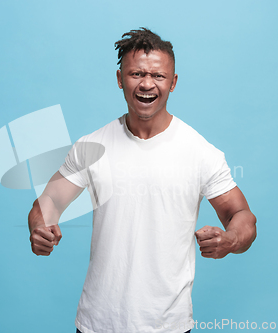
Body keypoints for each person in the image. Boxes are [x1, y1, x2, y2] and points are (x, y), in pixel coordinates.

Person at [28, 27, 257, 333]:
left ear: (173, 83)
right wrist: (40, 228)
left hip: (168, 325)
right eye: (136, 73)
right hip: (97, 323)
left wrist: (230, 240)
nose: (147, 84)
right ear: (120, 79)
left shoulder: (201, 152)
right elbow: (50, 202)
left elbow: (241, 215)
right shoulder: (90, 147)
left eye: (158, 76)